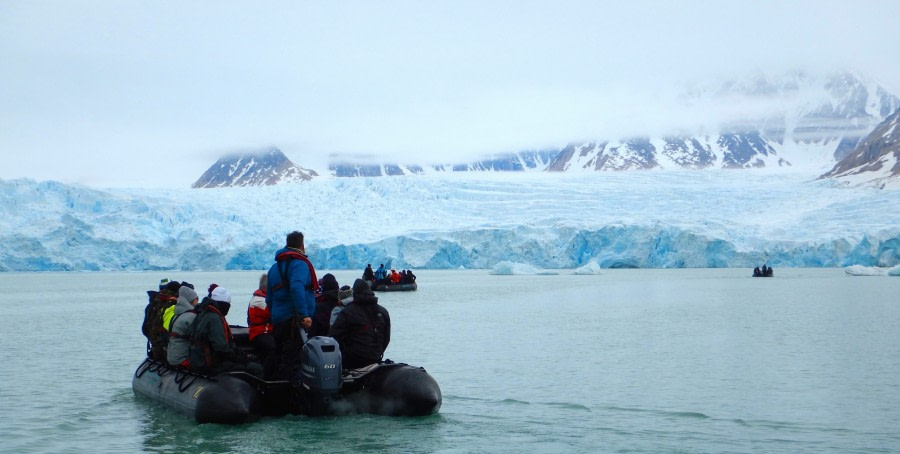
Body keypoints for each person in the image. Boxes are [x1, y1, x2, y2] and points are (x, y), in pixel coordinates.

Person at [266, 231, 318, 383]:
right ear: (302, 245)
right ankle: (291, 398)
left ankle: (271, 389)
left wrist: (275, 315)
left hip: (279, 320)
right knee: (294, 360)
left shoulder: (274, 269)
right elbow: (296, 287)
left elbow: (269, 298)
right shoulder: (300, 264)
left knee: (280, 354)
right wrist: (304, 315)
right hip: (295, 322)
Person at [188, 286, 262, 376]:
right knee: (257, 369)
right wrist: (239, 358)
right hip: (212, 364)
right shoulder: (214, 318)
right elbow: (221, 347)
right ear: (224, 304)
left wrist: (243, 355)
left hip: (200, 361)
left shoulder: (202, 313)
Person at [329, 278, 391, 370]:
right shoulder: (383, 311)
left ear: (354, 293)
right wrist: (378, 352)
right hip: (376, 359)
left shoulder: (347, 312)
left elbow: (334, 337)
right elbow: (386, 338)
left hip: (352, 362)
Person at [142, 279, 181, 361]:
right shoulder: (173, 305)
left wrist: (153, 340)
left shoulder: (152, 304)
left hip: (155, 348)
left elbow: (145, 329)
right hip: (167, 350)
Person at [247, 274, 276, 375]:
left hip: (265, 332)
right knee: (274, 349)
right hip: (259, 333)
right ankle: (264, 374)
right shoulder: (260, 301)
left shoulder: (260, 298)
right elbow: (274, 313)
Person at [167, 285, 200, 367]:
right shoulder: (191, 317)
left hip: (172, 358)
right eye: (196, 300)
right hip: (182, 360)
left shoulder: (176, 315)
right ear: (191, 300)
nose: (197, 303)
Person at [311, 273, 341, 337]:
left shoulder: (318, 307)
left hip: (323, 342)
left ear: (323, 287)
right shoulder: (344, 304)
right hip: (343, 343)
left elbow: (313, 331)